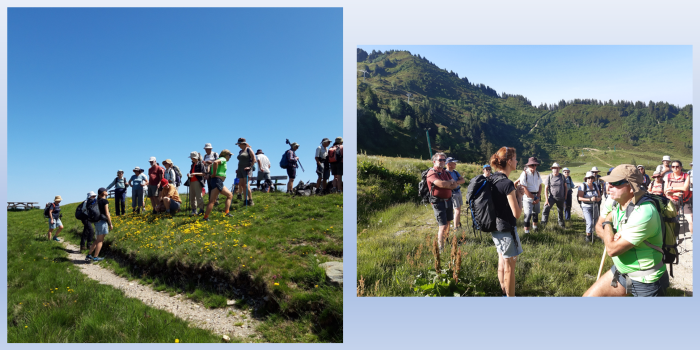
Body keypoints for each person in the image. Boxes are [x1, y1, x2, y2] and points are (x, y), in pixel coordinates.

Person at [583, 165, 670, 297]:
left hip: (646, 281)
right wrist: (610, 237)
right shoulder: (615, 202)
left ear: (632, 187)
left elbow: (612, 250)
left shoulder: (645, 212)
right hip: (621, 272)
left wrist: (608, 223)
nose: (609, 186)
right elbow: (598, 227)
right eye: (608, 182)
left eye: (615, 183)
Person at [488, 147, 523, 297]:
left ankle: (503, 291)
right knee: (510, 268)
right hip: (507, 230)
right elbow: (517, 214)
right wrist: (519, 196)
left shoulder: (492, 179)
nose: (516, 161)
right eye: (515, 159)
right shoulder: (507, 183)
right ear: (509, 161)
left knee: (501, 260)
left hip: (495, 228)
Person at [426, 152, 459, 251]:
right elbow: (440, 184)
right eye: (440, 160)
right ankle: (441, 248)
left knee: (448, 223)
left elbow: (455, 185)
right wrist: (449, 183)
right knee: (443, 225)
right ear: (434, 161)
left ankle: (446, 240)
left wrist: (449, 183)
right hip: (438, 202)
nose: (442, 162)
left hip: (448, 200)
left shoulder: (446, 172)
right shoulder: (432, 173)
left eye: (444, 160)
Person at [203, 149, 234, 221]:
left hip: (218, 181)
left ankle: (227, 212)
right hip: (217, 181)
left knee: (230, 195)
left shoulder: (221, 159)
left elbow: (212, 164)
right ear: (225, 155)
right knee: (212, 201)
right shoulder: (223, 159)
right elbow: (216, 162)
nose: (230, 157)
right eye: (229, 155)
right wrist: (214, 174)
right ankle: (205, 217)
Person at [664, 160, 692, 236]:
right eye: (673, 166)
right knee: (674, 220)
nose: (675, 168)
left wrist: (671, 188)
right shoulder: (668, 176)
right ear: (671, 168)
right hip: (672, 200)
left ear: (681, 167)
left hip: (684, 200)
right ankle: (675, 236)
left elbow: (685, 188)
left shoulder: (686, 176)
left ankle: (693, 236)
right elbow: (665, 190)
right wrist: (674, 193)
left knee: (691, 220)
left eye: (677, 166)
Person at [86, 188, 113, 263]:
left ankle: (89, 255)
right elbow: (107, 213)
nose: (107, 192)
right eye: (106, 191)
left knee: (97, 239)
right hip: (102, 222)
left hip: (96, 222)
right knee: (100, 241)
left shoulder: (96, 201)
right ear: (104, 193)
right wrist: (110, 224)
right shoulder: (104, 201)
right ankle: (95, 257)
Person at [518, 157, 542, 234]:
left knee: (536, 213)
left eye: (535, 165)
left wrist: (537, 197)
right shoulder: (524, 174)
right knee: (528, 214)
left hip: (536, 196)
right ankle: (527, 232)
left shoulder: (537, 173)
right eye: (532, 165)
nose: (534, 167)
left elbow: (540, 185)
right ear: (528, 165)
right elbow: (524, 187)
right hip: (527, 197)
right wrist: (534, 197)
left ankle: (535, 228)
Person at [542, 162, 568, 229]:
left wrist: (565, 196)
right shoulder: (549, 176)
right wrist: (546, 200)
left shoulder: (562, 176)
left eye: (557, 168)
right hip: (551, 198)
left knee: (560, 211)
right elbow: (546, 188)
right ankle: (543, 224)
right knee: (546, 208)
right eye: (554, 168)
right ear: (552, 169)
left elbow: (565, 187)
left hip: (561, 198)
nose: (556, 169)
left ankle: (561, 225)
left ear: (559, 169)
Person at [578, 171, 601, 242]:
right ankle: (588, 237)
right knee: (589, 222)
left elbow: (600, 196)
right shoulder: (582, 186)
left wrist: (597, 199)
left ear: (593, 179)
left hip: (595, 206)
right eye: (588, 178)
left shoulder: (595, 185)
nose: (590, 179)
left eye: (591, 178)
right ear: (586, 179)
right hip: (586, 206)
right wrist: (590, 199)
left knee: (596, 222)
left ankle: (593, 235)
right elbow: (580, 198)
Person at [445, 157, 465, 230]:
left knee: (459, 209)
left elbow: (463, 180)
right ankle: (455, 227)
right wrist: (456, 183)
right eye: (453, 163)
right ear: (449, 164)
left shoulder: (455, 172)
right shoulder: (445, 173)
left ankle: (458, 224)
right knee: (457, 210)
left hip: (458, 191)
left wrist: (456, 182)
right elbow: (449, 184)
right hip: (453, 193)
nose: (455, 164)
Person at [235, 138, 257, 206]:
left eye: (239, 144)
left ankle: (250, 200)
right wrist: (238, 169)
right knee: (241, 185)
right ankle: (245, 200)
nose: (238, 146)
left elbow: (254, 159)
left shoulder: (249, 149)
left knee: (246, 185)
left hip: (247, 169)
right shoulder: (240, 151)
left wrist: (250, 167)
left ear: (243, 144)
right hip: (240, 170)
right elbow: (240, 161)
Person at [185, 151, 206, 216]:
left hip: (197, 181)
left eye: (193, 158)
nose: (192, 159)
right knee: (192, 197)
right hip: (191, 181)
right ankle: (194, 210)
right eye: (192, 158)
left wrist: (194, 173)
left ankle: (201, 210)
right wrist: (189, 174)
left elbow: (203, 173)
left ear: (196, 158)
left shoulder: (201, 164)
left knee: (198, 196)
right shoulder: (192, 165)